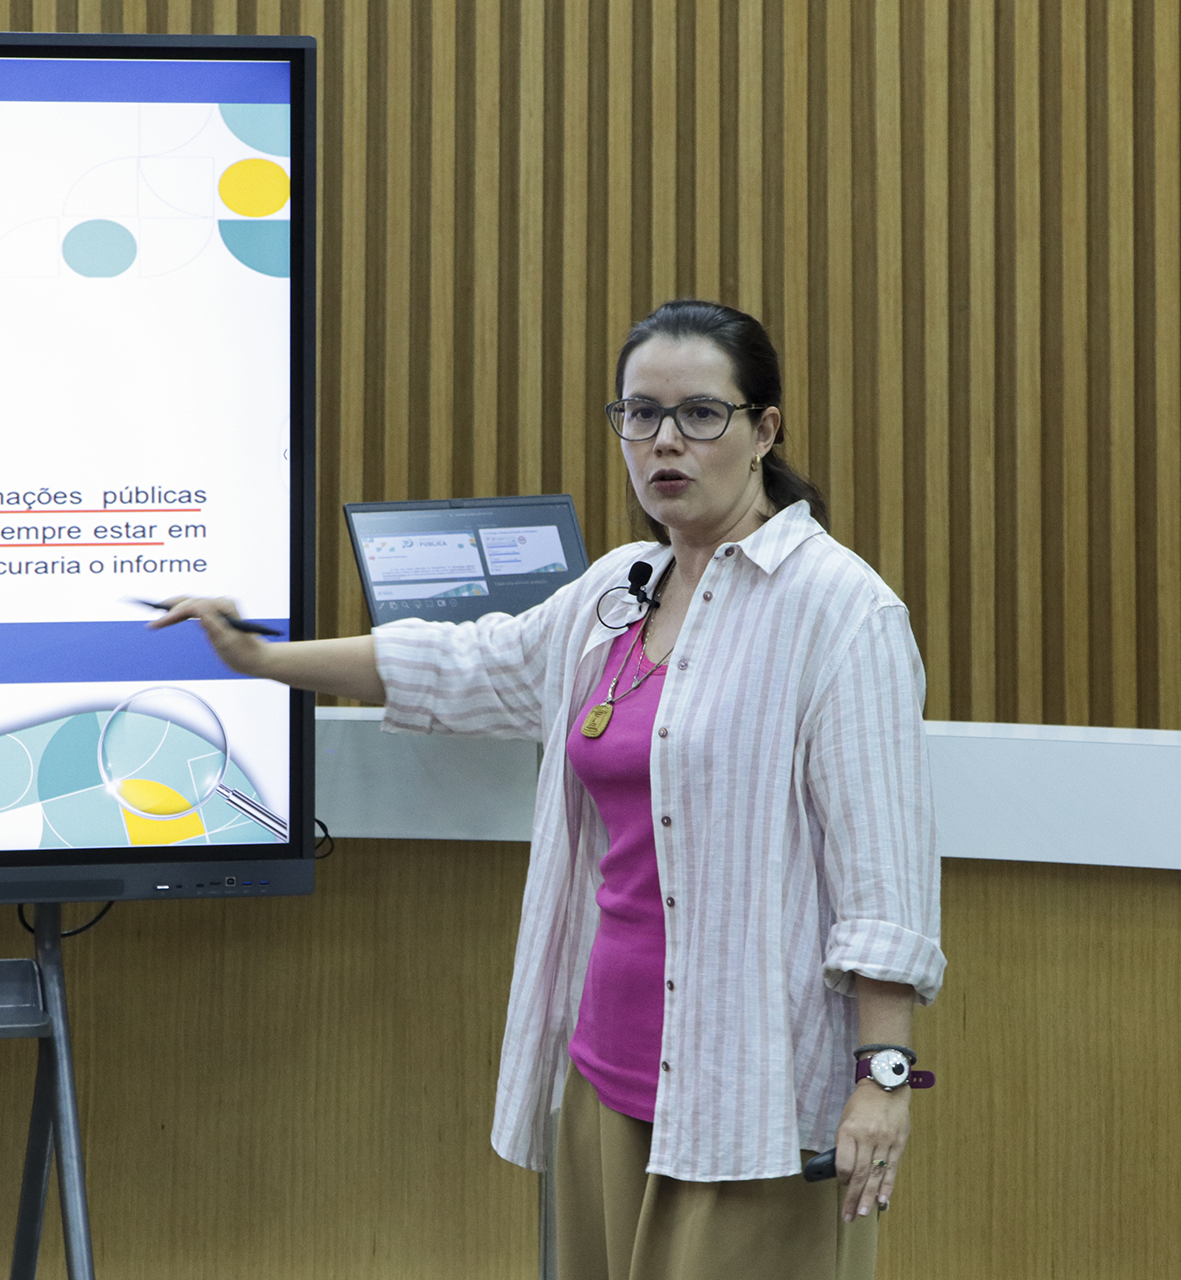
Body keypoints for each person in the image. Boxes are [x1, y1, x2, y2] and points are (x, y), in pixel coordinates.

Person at [152, 299, 944, 1279]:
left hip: (753, 1088)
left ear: (764, 429)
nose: (665, 442)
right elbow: (468, 663)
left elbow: (883, 880)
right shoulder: (622, 587)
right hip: (607, 1072)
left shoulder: (841, 611)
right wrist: (262, 658)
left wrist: (882, 1077)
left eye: (701, 414)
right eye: (640, 414)